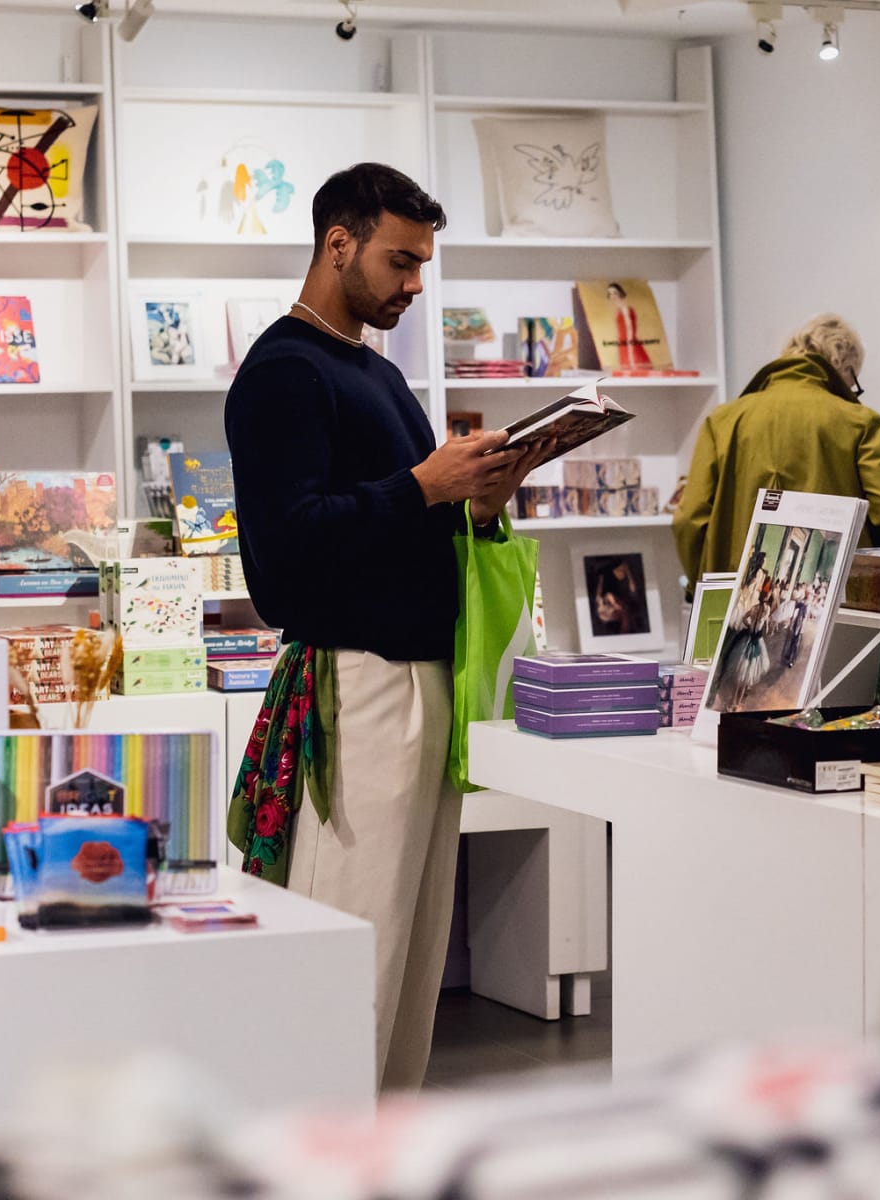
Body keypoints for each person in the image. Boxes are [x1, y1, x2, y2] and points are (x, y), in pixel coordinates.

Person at [224, 162, 548, 1092]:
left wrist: (481, 498)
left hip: (421, 680)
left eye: (422, 265)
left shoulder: (374, 372)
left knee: (408, 963)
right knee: (354, 952)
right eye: (401, 262)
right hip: (359, 687)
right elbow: (282, 565)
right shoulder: (284, 372)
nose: (414, 284)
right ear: (339, 243)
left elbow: (409, 526)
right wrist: (423, 485)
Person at [672, 313, 880, 596]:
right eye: (854, 381)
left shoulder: (723, 421)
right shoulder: (861, 422)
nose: (852, 390)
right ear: (842, 366)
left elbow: (688, 520)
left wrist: (700, 587)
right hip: (833, 604)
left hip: (730, 598)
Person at [606, 281, 652, 369]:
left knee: (634, 364)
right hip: (622, 342)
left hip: (628, 341)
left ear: (620, 293)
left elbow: (629, 327)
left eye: (615, 293)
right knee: (625, 366)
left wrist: (630, 345)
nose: (613, 295)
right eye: (610, 293)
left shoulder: (625, 308)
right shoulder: (618, 309)